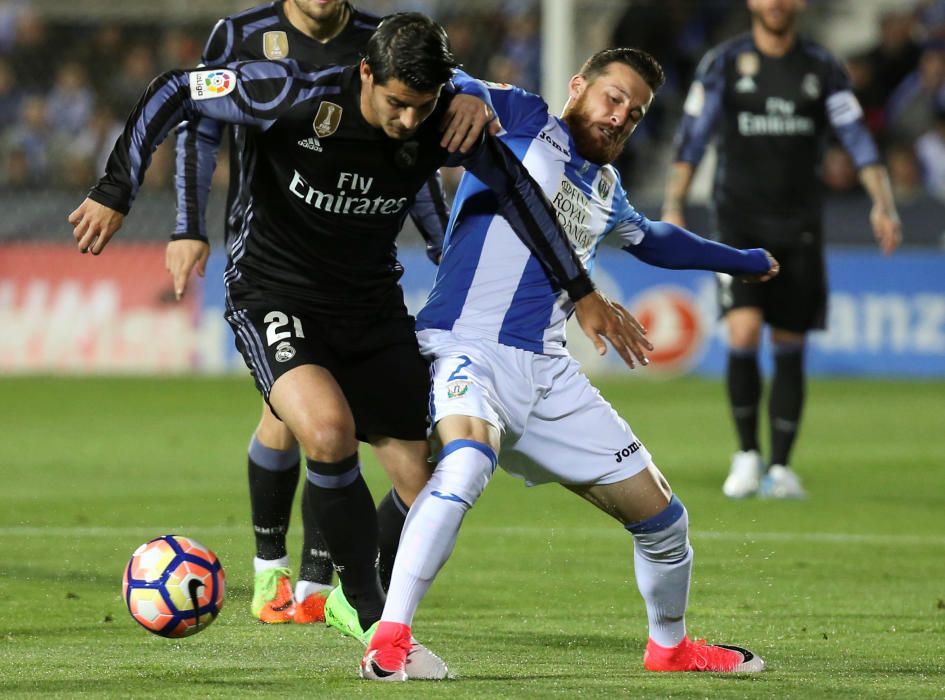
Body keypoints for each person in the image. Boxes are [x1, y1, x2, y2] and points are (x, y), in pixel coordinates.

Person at [68, 13, 647, 679]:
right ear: (367, 74)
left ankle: (346, 590)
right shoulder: (290, 90)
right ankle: (375, 624)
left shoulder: (441, 118)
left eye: (420, 107)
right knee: (327, 431)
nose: (406, 122)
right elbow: (177, 88)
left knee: (419, 476)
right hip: (273, 293)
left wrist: (579, 290)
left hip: (369, 305)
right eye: (396, 104)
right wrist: (118, 185)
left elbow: (517, 195)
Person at [357, 47, 779, 681]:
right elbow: (452, 81)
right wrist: (466, 89)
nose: (620, 117)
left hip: (548, 372)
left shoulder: (606, 190)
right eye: (613, 98)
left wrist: (740, 259)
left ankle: (669, 647)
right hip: (466, 344)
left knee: (663, 516)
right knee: (466, 462)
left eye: (634, 114)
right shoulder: (525, 118)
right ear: (577, 86)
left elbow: (654, 239)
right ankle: (388, 645)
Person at [167, 0, 477, 626]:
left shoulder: (382, 40)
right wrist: (187, 223)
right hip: (278, 260)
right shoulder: (242, 35)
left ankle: (317, 581)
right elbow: (198, 120)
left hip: (358, 274)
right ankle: (272, 569)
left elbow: (417, 140)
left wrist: (472, 95)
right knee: (304, 419)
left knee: (333, 432)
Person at [661, 0, 902, 500]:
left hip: (800, 226)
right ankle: (747, 454)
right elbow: (692, 139)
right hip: (737, 223)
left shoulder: (822, 67)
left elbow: (856, 138)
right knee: (744, 332)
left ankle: (782, 468)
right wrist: (674, 205)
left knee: (790, 343)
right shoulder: (724, 63)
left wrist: (883, 202)